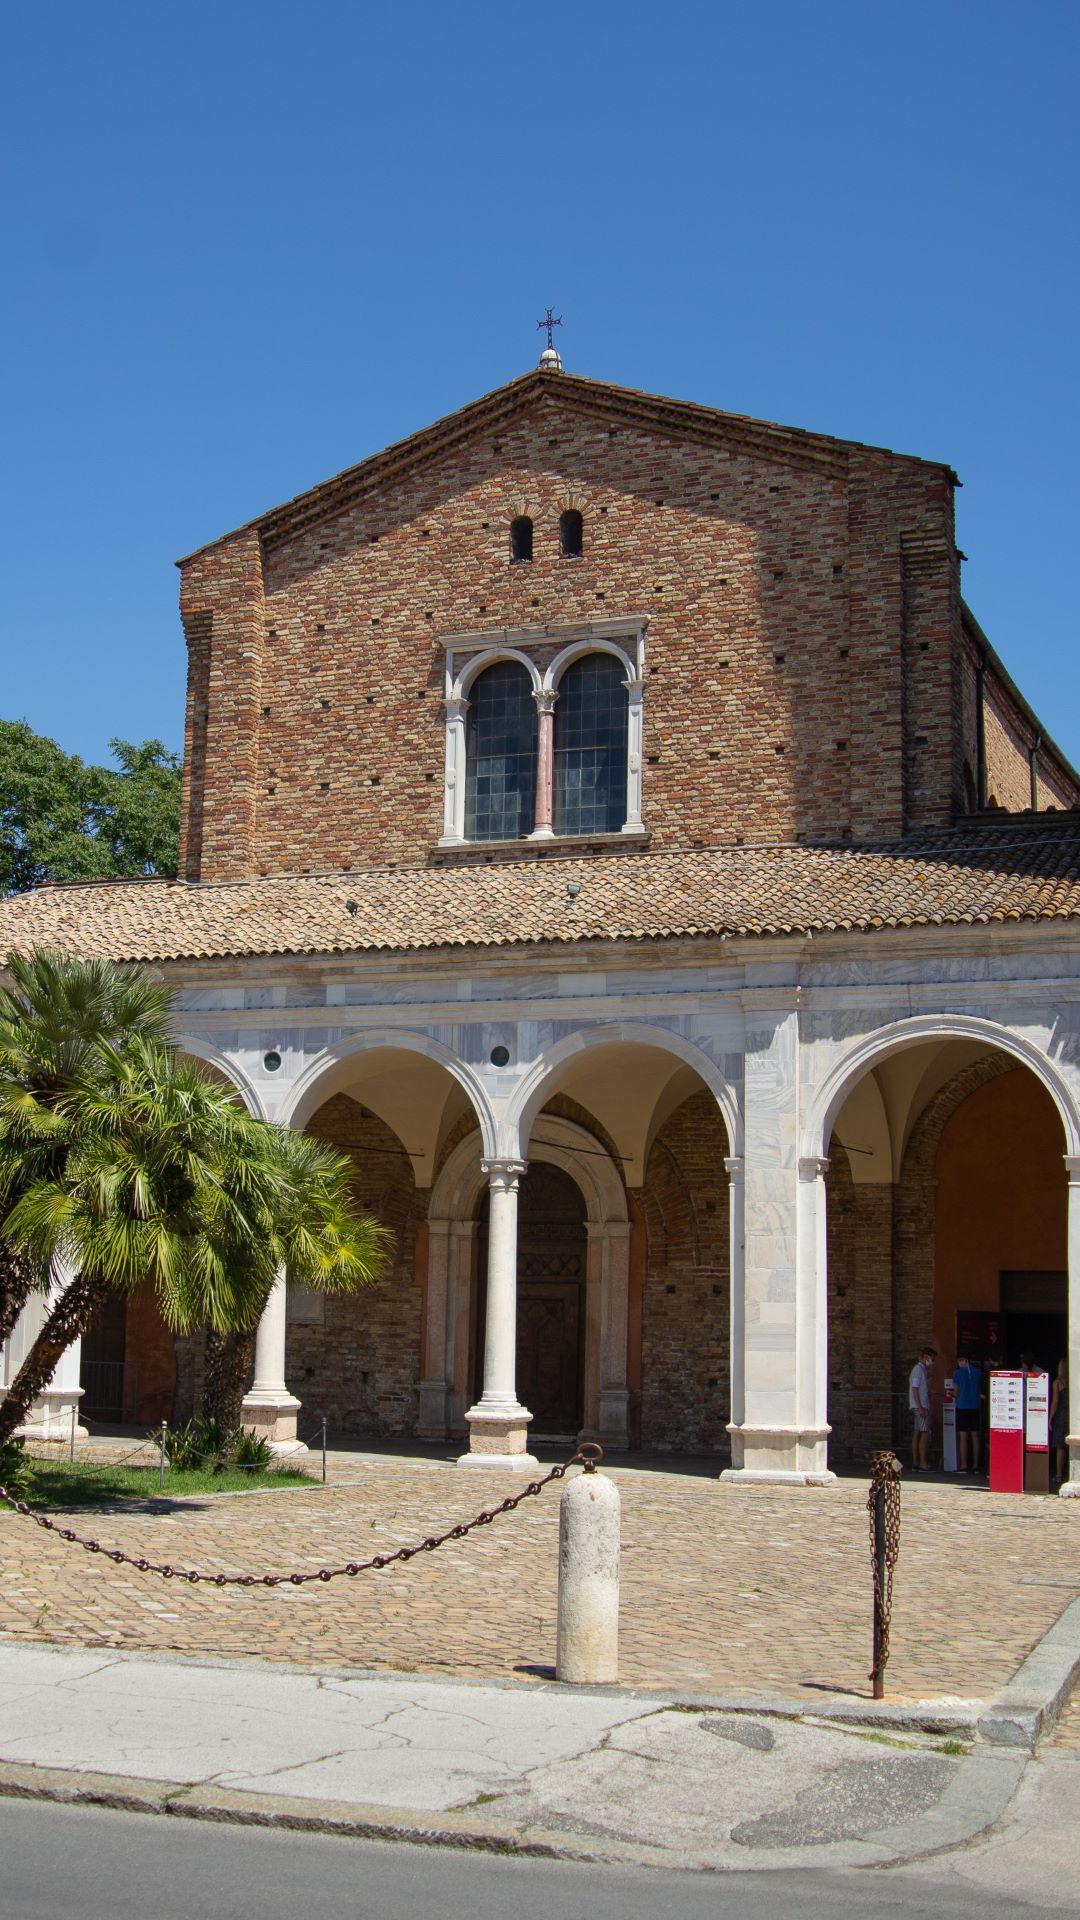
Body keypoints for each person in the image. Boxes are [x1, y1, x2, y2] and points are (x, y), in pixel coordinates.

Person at [952, 1350, 983, 1473]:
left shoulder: (957, 1373)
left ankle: (964, 1465)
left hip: (962, 1406)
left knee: (963, 1436)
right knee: (975, 1436)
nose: (959, 1363)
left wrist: (952, 1395)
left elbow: (956, 1391)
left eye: (960, 1361)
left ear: (964, 1361)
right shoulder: (977, 1373)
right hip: (975, 1406)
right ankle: (976, 1465)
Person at [909, 1346, 936, 1471]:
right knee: (924, 1433)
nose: (932, 1362)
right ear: (926, 1357)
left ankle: (916, 1461)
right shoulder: (918, 1370)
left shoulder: (922, 1370)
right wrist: (920, 1407)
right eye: (932, 1359)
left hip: (919, 1406)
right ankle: (922, 1463)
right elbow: (915, 1389)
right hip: (920, 1406)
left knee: (917, 1432)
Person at [1050, 1359, 1069, 1489]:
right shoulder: (1073, 1380)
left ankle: (1058, 1475)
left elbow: (1055, 1401)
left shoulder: (1057, 1383)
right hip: (1072, 1414)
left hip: (1061, 1415)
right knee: (1071, 1446)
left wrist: (1050, 1418)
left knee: (1060, 1446)